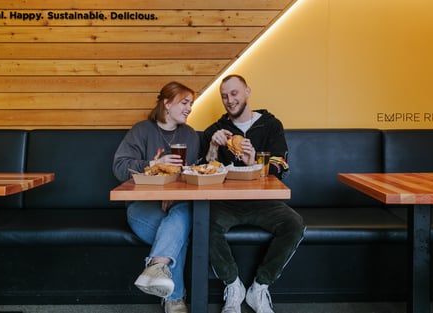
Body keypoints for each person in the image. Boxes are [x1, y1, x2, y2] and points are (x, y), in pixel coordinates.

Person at [201, 75, 305, 313]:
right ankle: (233, 285)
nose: (230, 100)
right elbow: (203, 171)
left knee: (294, 223)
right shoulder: (214, 131)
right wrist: (213, 150)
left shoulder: (270, 125)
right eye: (225, 96)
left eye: (235, 93)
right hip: (225, 204)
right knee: (201, 222)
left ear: (247, 92)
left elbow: (280, 168)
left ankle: (259, 287)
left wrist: (255, 162)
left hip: (263, 202)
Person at [113, 81, 199, 313]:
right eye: (184, 102)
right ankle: (175, 299)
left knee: (182, 216)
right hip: (143, 207)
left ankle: (156, 266)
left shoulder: (190, 135)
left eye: (191, 103)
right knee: (178, 236)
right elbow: (119, 167)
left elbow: (195, 174)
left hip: (179, 207)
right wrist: (154, 164)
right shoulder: (142, 130)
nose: (189, 108)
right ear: (167, 103)